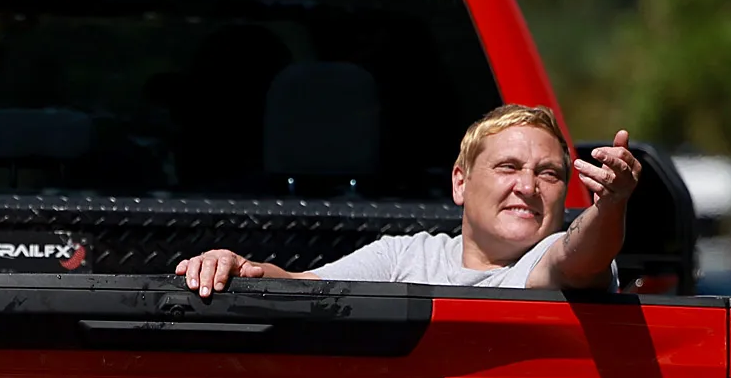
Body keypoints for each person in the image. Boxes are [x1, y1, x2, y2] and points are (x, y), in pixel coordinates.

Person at [174, 105, 640, 296]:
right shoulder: (407, 256)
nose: (527, 186)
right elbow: (303, 288)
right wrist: (235, 265)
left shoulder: (551, 258)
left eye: (548, 174)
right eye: (507, 167)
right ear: (460, 183)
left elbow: (582, 254)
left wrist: (611, 204)